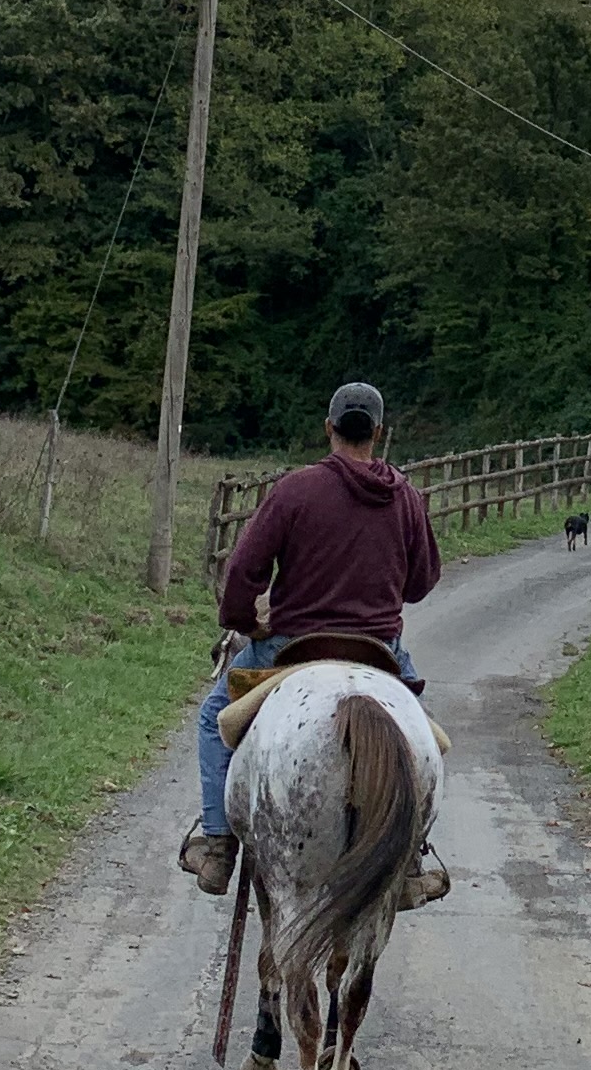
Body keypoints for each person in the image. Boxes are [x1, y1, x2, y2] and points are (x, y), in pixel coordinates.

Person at [180, 379, 448, 905]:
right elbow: (421, 583)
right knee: (421, 737)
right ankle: (411, 861)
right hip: (380, 649)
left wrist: (244, 621)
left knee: (213, 720)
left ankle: (217, 845)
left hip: (292, 644)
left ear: (329, 427)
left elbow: (244, 570)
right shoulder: (406, 497)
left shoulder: (295, 490)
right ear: (378, 432)